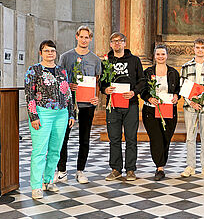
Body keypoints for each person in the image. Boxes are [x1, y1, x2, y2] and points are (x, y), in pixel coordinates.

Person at [24, 40, 75, 199]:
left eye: (52, 51)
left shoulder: (62, 71)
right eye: (46, 51)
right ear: (41, 53)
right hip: (43, 113)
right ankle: (36, 186)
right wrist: (33, 116)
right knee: (39, 151)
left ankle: (48, 181)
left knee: (55, 150)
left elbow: (67, 94)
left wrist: (71, 113)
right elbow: (29, 96)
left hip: (61, 114)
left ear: (56, 53)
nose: (50, 53)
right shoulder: (33, 71)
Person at [55, 26, 101, 184]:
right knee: (63, 138)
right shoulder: (66, 57)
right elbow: (58, 79)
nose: (84, 40)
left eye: (87, 37)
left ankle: (80, 171)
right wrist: (69, 84)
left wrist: (96, 97)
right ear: (76, 37)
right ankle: (61, 170)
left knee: (85, 138)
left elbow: (97, 82)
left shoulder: (95, 59)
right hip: (67, 105)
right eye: (81, 37)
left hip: (87, 105)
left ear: (90, 39)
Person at [100, 32, 145, 181]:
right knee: (114, 138)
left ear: (125, 43)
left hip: (130, 104)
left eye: (120, 41)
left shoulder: (134, 60)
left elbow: (142, 81)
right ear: (111, 44)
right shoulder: (106, 61)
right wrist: (105, 89)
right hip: (112, 105)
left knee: (131, 138)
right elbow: (102, 82)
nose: (117, 43)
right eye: (114, 41)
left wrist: (134, 92)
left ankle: (131, 169)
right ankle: (116, 169)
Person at [180, 38, 204, 178]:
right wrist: (191, 102)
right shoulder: (186, 67)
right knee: (190, 137)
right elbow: (182, 88)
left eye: (202, 48)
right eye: (197, 47)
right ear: (194, 49)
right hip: (190, 107)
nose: (200, 50)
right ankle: (190, 166)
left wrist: (203, 98)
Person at [141, 44, 180, 181]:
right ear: (154, 56)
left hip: (169, 110)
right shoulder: (148, 72)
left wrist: (176, 97)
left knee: (166, 138)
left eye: (163, 54)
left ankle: (161, 164)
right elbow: (143, 91)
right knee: (156, 138)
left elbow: (178, 91)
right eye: (158, 54)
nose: (161, 56)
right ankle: (160, 168)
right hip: (151, 110)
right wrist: (149, 98)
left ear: (167, 55)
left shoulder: (173, 72)